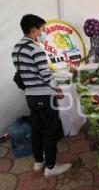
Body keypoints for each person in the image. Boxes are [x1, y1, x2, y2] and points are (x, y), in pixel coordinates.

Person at [12, 14, 71, 178]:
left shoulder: (17, 48)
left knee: (37, 129)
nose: (43, 32)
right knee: (51, 131)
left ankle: (39, 161)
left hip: (30, 95)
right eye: (42, 29)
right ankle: (51, 167)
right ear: (33, 29)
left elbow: (24, 73)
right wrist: (57, 89)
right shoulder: (35, 49)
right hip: (44, 96)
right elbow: (45, 74)